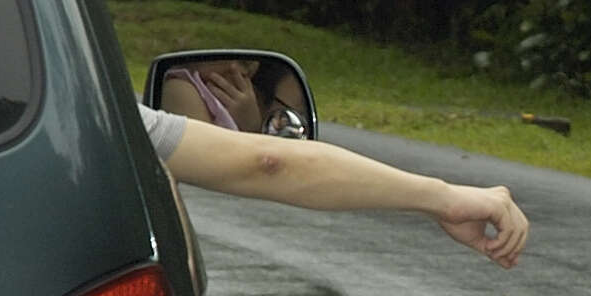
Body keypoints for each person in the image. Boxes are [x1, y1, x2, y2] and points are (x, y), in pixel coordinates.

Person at [136, 99, 530, 268]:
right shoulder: (94, 111)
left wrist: (444, 199)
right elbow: (269, 164)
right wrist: (443, 198)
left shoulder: (85, 105)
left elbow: (268, 162)